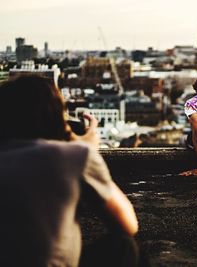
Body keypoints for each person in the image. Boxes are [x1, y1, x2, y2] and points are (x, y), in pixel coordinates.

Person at [0, 75, 141, 267]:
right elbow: (128, 225)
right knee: (124, 246)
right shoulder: (74, 156)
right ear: (57, 114)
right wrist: (87, 150)